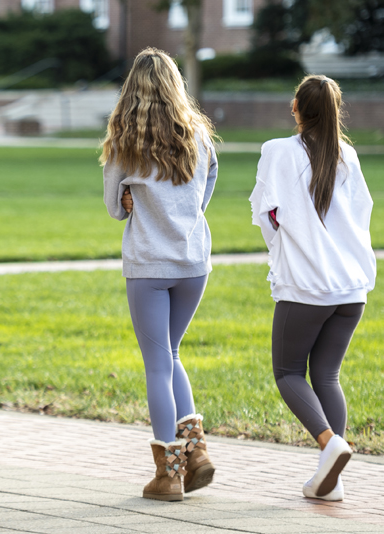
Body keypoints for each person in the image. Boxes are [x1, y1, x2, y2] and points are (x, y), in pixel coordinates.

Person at [249, 75, 376, 502]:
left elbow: (265, 213)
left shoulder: (277, 152)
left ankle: (330, 444)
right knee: (326, 374)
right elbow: (361, 217)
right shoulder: (349, 158)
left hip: (306, 286)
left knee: (287, 373)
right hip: (351, 287)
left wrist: (284, 248)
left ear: (296, 108)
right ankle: (331, 482)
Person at [101, 48, 219, 502]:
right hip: (193, 263)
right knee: (171, 355)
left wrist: (133, 201)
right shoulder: (199, 135)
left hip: (149, 264)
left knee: (157, 364)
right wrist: (184, 213)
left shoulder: (123, 141)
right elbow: (207, 186)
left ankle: (169, 474)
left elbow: (114, 207)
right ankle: (197, 453)